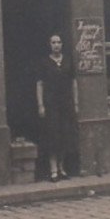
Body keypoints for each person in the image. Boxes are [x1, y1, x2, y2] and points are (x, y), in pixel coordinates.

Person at [36, 33, 80, 182]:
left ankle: (62, 168)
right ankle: (53, 170)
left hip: (66, 104)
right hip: (51, 104)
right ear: (49, 44)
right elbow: (40, 84)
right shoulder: (44, 62)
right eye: (53, 42)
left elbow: (73, 82)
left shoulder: (68, 61)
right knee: (53, 136)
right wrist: (41, 104)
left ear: (62, 44)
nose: (56, 45)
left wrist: (75, 103)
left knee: (64, 137)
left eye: (59, 42)